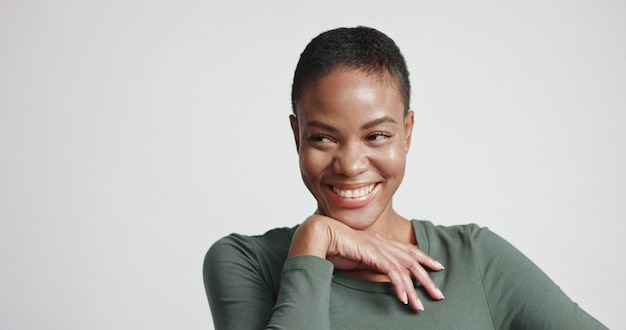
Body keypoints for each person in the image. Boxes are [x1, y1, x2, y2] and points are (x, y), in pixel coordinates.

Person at [203, 26, 606, 329]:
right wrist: (314, 240)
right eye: (323, 138)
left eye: (376, 135)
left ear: (407, 132)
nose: (350, 164)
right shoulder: (246, 263)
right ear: (297, 135)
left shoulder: (476, 259)